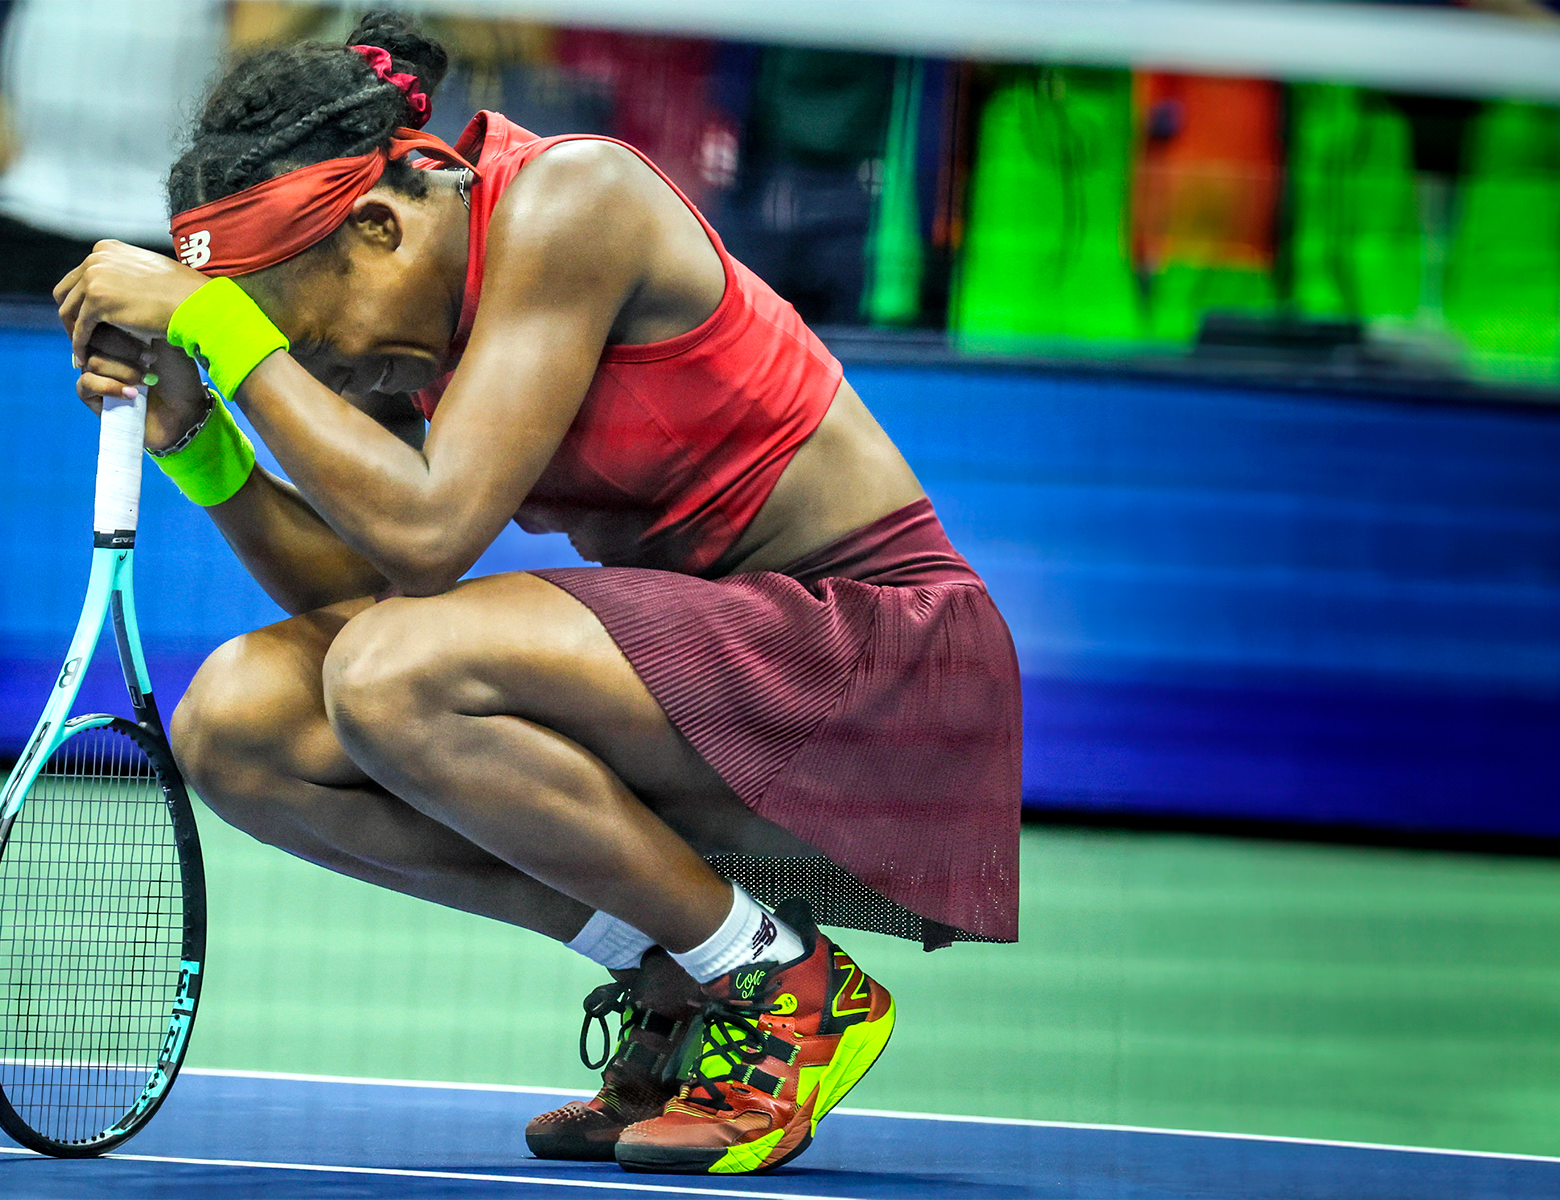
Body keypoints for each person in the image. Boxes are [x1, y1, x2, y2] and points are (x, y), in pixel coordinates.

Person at [54, 13, 1020, 1177]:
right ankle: (673, 963)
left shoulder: (574, 200)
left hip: (882, 669)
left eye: (303, 340)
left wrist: (213, 320)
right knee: (240, 720)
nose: (312, 380)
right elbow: (367, 599)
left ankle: (783, 984)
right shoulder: (420, 323)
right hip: (708, 698)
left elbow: (424, 541)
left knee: (392, 672)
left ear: (375, 226)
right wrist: (204, 440)